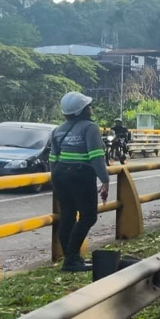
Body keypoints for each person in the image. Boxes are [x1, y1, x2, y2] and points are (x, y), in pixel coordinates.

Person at [50, 91, 110, 272]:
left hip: (60, 174)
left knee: (68, 215)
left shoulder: (58, 130)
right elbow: (96, 157)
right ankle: (72, 258)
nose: (91, 109)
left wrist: (56, 180)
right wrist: (105, 180)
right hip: (81, 175)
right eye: (88, 106)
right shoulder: (90, 128)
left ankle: (70, 258)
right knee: (88, 216)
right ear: (83, 111)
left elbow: (53, 159)